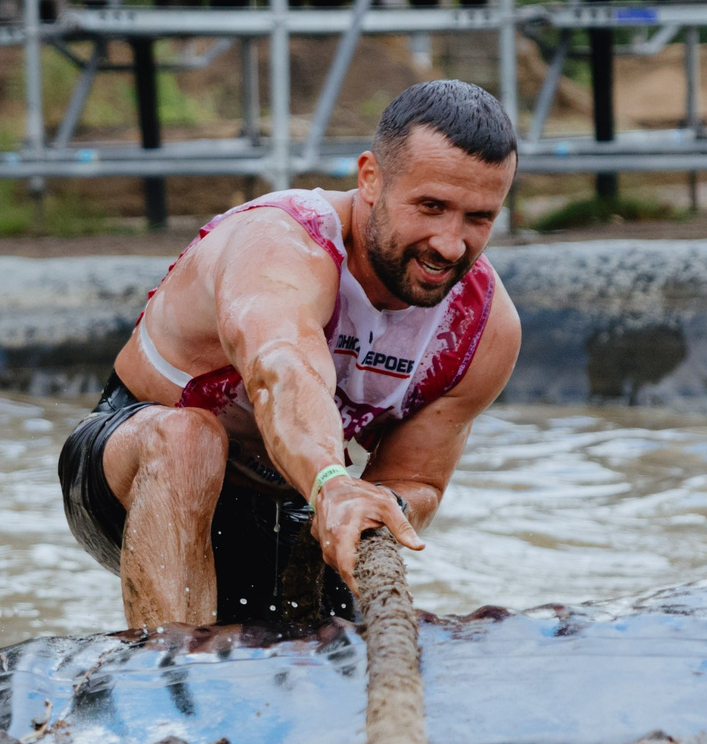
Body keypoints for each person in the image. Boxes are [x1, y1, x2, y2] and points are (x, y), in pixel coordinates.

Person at [58, 78, 521, 628]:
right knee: (190, 440)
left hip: (292, 506)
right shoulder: (283, 244)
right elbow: (282, 372)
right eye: (430, 206)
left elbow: (416, 482)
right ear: (370, 178)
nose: (449, 245)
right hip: (137, 470)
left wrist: (376, 511)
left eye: (478, 219)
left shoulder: (484, 328)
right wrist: (331, 483)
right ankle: (167, 679)